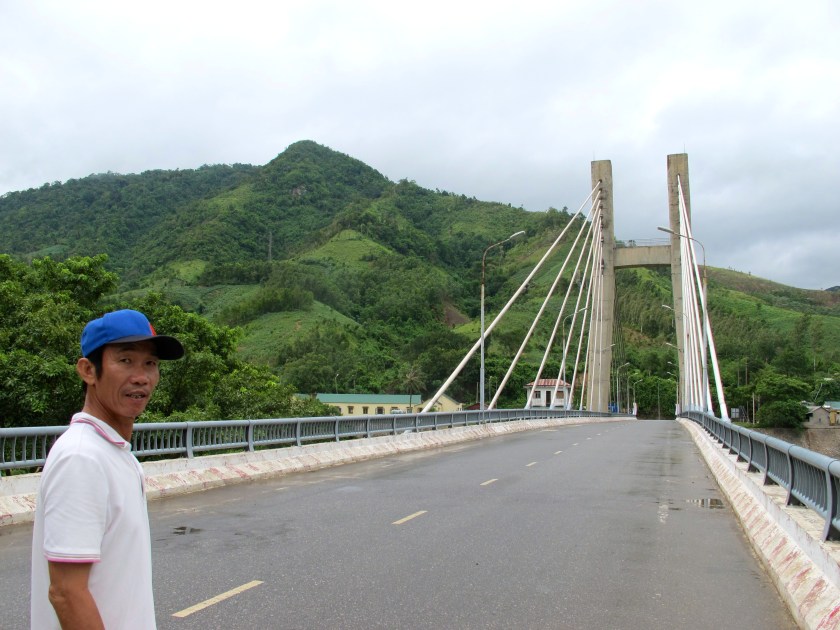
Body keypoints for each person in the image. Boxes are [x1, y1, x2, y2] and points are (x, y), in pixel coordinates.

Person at [30, 309, 184, 629]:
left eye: (150, 363)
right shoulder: (82, 458)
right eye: (125, 360)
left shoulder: (114, 452)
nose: (141, 376)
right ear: (88, 370)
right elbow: (66, 592)